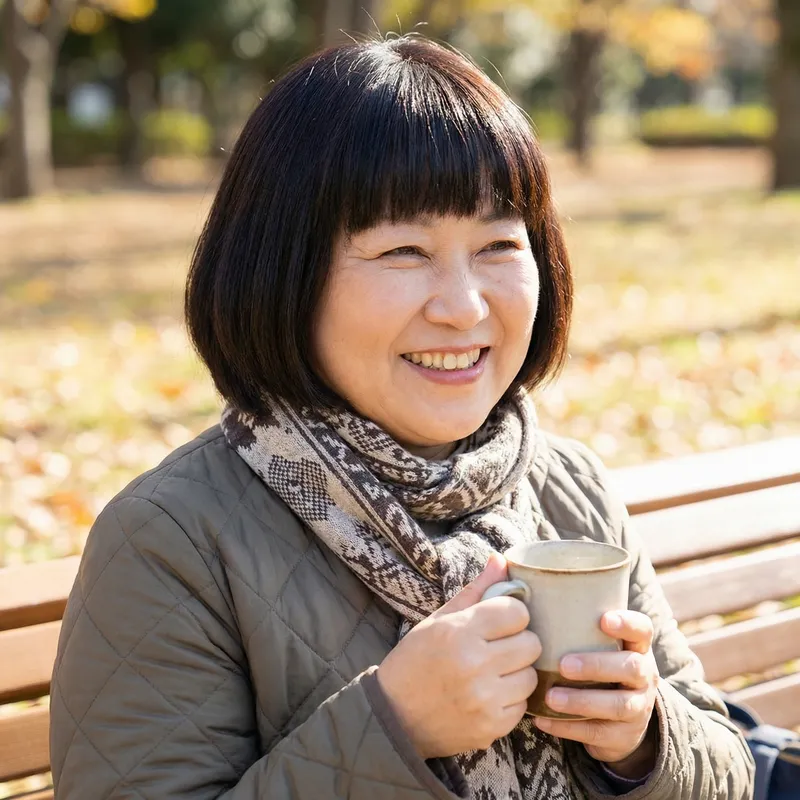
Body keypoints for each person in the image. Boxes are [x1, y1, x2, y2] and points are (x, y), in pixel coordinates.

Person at [50, 36, 754, 800]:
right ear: (282, 271)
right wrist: (395, 728)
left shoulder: (567, 486)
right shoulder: (171, 541)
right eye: (404, 251)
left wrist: (644, 739)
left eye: (498, 244)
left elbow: (727, 761)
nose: (464, 307)